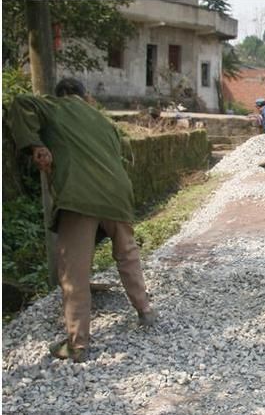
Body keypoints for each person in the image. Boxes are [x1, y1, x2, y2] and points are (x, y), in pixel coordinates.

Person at [8, 78, 158, 363]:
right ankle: (145, 311)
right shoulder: (103, 121)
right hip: (118, 194)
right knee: (127, 254)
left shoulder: (56, 105)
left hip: (80, 197)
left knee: (74, 272)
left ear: (63, 94)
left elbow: (20, 103)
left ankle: (78, 345)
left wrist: (35, 144)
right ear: (85, 96)